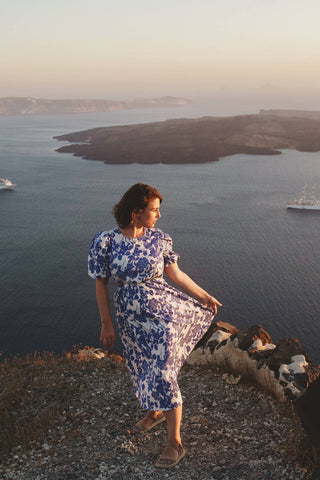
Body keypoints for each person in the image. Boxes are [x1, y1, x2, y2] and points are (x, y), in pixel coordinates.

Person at [88, 183, 222, 469]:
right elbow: (101, 284)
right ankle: (154, 413)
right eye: (154, 210)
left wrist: (204, 295)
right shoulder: (106, 241)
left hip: (164, 312)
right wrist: (106, 323)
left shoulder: (160, 239)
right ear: (136, 212)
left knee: (163, 371)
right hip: (129, 317)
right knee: (141, 365)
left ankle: (175, 441)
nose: (159, 216)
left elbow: (176, 273)